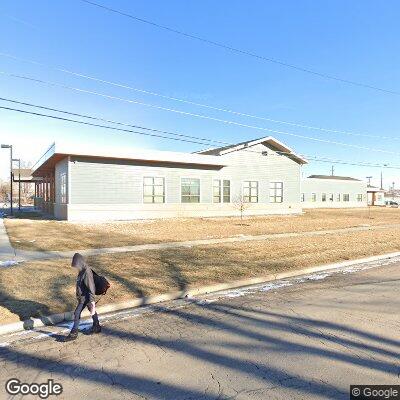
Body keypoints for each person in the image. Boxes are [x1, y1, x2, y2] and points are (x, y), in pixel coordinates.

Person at [64, 253, 102, 341]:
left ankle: (73, 333)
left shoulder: (86, 272)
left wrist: (92, 301)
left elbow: (91, 287)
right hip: (83, 297)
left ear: (80, 263)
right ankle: (97, 326)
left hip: (86, 297)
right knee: (91, 311)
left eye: (76, 265)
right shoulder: (81, 271)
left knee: (77, 313)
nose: (76, 267)